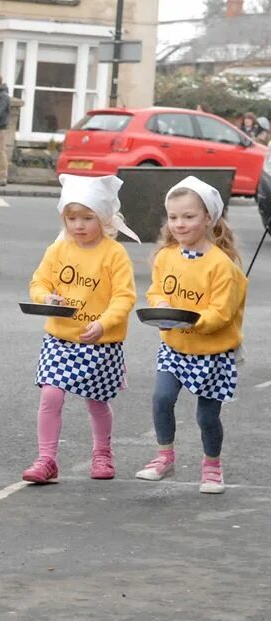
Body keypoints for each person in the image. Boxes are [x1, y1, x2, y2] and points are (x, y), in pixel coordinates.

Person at [21, 175, 139, 484]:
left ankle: (102, 452)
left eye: (87, 218)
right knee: (50, 394)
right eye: (72, 218)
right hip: (60, 337)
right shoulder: (58, 250)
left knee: (97, 401)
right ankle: (46, 459)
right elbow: (39, 282)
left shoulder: (115, 254)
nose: (79, 225)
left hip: (101, 342)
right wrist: (45, 297)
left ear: (104, 218)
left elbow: (124, 296)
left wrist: (104, 324)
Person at [135, 177, 247, 495]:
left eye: (189, 216)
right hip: (174, 347)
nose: (179, 224)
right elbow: (157, 290)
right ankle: (164, 457)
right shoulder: (166, 257)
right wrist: (160, 305)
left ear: (208, 218)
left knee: (207, 416)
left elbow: (221, 313)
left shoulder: (221, 265)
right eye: (173, 217)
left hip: (212, 352)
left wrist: (188, 321)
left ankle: (212, 466)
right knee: (161, 399)